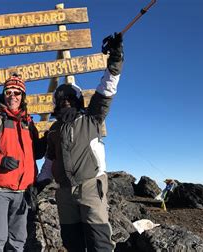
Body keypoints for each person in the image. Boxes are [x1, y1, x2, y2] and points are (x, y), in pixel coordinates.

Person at [46, 33, 124, 252]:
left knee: (99, 241)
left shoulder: (92, 118)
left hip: (90, 186)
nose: (66, 102)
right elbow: (50, 160)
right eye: (62, 99)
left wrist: (115, 58)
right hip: (64, 192)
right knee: (72, 242)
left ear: (79, 100)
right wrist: (41, 181)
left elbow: (106, 88)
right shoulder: (55, 129)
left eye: (70, 98)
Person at [0, 74, 45, 251]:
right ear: (4, 94)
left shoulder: (28, 122)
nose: (13, 96)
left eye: (17, 92)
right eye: (8, 92)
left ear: (23, 97)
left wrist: (47, 141)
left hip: (23, 191)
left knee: (18, 240)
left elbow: (34, 154)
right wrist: (1, 160)